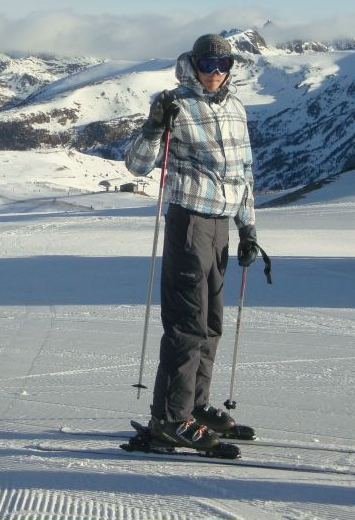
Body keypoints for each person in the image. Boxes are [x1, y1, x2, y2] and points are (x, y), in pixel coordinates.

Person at [125, 33, 264, 451]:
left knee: (211, 324)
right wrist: (154, 125)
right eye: (208, 64)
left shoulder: (237, 108)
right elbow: (137, 164)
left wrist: (249, 228)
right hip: (189, 220)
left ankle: (196, 406)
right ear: (193, 63)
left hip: (221, 224)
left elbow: (245, 174)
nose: (216, 73)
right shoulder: (175, 104)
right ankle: (170, 417)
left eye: (224, 65)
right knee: (187, 323)